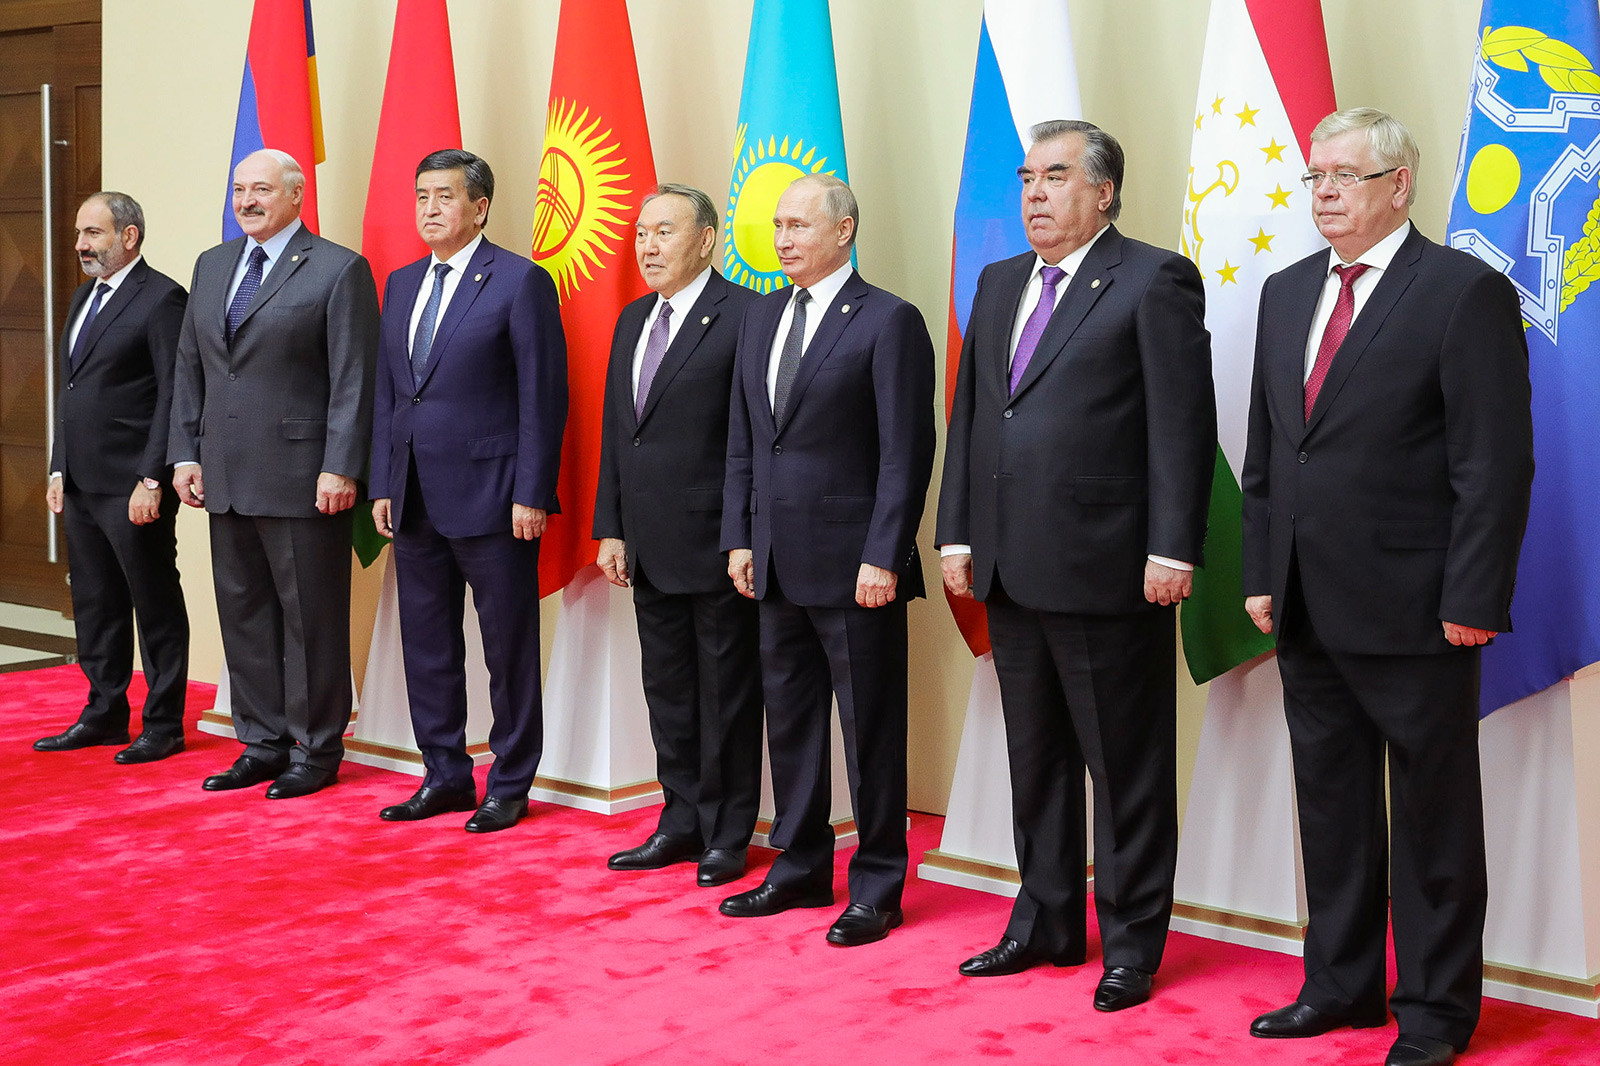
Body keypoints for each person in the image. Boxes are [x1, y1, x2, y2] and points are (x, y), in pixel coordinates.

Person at [1241, 108, 1533, 1066]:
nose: (1322, 191)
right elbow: (1266, 456)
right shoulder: (1287, 294)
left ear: (1399, 186)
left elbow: (1492, 465)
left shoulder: (1461, 293)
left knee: (1432, 824)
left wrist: (1472, 598)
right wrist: (1258, 574)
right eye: (1315, 175)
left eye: (1345, 177)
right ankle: (1340, 987)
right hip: (1305, 606)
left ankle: (1438, 1014)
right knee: (1330, 809)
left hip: (1419, 613)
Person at [935, 119, 1215, 1012]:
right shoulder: (999, 280)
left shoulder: (1152, 278)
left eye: (1055, 177)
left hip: (1110, 569)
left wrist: (1173, 546)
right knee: (1039, 759)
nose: (1034, 194)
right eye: (1026, 178)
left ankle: (1131, 943)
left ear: (1102, 191)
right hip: (1010, 567)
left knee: (1125, 768)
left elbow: (1182, 424)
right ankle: (1046, 919)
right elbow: (977, 419)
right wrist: (956, 533)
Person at [720, 173, 935, 946]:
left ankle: (877, 882)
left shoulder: (889, 321)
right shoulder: (763, 315)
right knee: (793, 722)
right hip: (773, 560)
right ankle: (802, 864)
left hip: (856, 569)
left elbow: (905, 455)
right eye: (777, 225)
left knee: (869, 729)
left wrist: (885, 554)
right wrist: (740, 535)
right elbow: (747, 437)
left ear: (843, 232)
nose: (782, 240)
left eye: (798, 226)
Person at [169, 148, 379, 800]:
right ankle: (261, 743)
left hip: (303, 479)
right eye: (239, 189)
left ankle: (316, 752)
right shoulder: (212, 266)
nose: (247, 201)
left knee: (310, 623)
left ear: (295, 196)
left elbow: (353, 380)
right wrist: (185, 453)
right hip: (224, 476)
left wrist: (341, 465)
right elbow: (190, 368)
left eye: (261, 189)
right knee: (244, 617)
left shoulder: (338, 269)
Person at [370, 149, 567, 834]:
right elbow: (390, 393)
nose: (429, 208)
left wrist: (532, 492)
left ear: (479, 206)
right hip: (414, 494)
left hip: (495, 496)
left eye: (444, 196)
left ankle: (509, 782)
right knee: (427, 644)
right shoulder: (399, 283)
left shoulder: (519, 282)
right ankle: (445, 773)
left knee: (507, 648)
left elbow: (545, 396)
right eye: (421, 195)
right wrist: (382, 480)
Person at [594, 184, 762, 884]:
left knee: (726, 695)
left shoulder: (747, 316)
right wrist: (610, 527)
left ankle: (728, 833)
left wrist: (740, 535)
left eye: (665, 232)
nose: (649, 246)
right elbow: (618, 435)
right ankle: (680, 820)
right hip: (646, 545)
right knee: (667, 691)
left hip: (717, 546)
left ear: (706, 240)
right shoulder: (633, 318)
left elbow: (750, 440)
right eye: (641, 233)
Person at [35, 192, 190, 763]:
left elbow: (173, 395)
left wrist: (153, 477)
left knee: (153, 603)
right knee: (96, 604)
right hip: (81, 482)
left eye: (94, 233)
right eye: (79, 233)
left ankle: (164, 725)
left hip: (133, 484)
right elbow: (71, 389)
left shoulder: (164, 299)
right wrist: (58, 464)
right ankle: (104, 713)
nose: (81, 244)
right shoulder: (82, 298)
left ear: (129, 237)